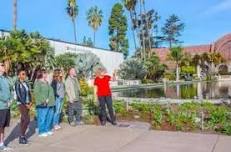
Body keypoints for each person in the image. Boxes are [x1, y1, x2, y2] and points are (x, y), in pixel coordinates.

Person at [34, 69, 55, 137]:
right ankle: (41, 131)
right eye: (44, 73)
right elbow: (37, 93)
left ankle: (47, 129)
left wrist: (49, 99)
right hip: (42, 103)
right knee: (42, 118)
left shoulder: (46, 82)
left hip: (49, 103)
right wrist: (44, 100)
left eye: (46, 73)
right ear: (40, 74)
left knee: (48, 117)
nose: (46, 75)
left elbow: (50, 91)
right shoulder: (38, 83)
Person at [15, 69, 32, 144]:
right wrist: (25, 104)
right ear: (19, 75)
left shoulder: (26, 83)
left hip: (27, 103)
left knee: (23, 120)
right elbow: (19, 95)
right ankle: (22, 136)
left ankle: (22, 136)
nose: (24, 75)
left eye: (24, 74)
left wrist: (31, 102)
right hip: (22, 103)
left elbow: (29, 93)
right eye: (22, 74)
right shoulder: (17, 83)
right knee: (27, 120)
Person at [0, 61, 12, 151]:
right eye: (2, 65)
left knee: (3, 126)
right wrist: (6, 100)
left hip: (6, 106)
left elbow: (10, 90)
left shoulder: (5, 78)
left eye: (4, 65)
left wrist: (11, 99)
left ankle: (1, 144)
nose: (4, 67)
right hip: (1, 105)